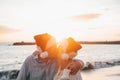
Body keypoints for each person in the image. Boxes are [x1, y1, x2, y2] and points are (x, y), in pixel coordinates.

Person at [16, 33, 83, 80]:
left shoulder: (57, 58)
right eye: (51, 48)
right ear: (43, 52)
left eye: (55, 47)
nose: (54, 50)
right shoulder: (30, 61)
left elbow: (71, 60)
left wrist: (79, 63)